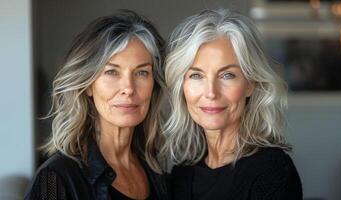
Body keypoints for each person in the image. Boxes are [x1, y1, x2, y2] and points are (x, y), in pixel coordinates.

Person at [25, 10, 168, 200]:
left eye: (142, 72)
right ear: (88, 86)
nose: (129, 88)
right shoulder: (55, 178)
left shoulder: (157, 172)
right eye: (112, 72)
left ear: (154, 85)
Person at [161, 9, 303, 200]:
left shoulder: (273, 172)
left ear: (250, 84)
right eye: (196, 75)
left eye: (227, 75)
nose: (211, 92)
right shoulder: (182, 173)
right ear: (182, 86)